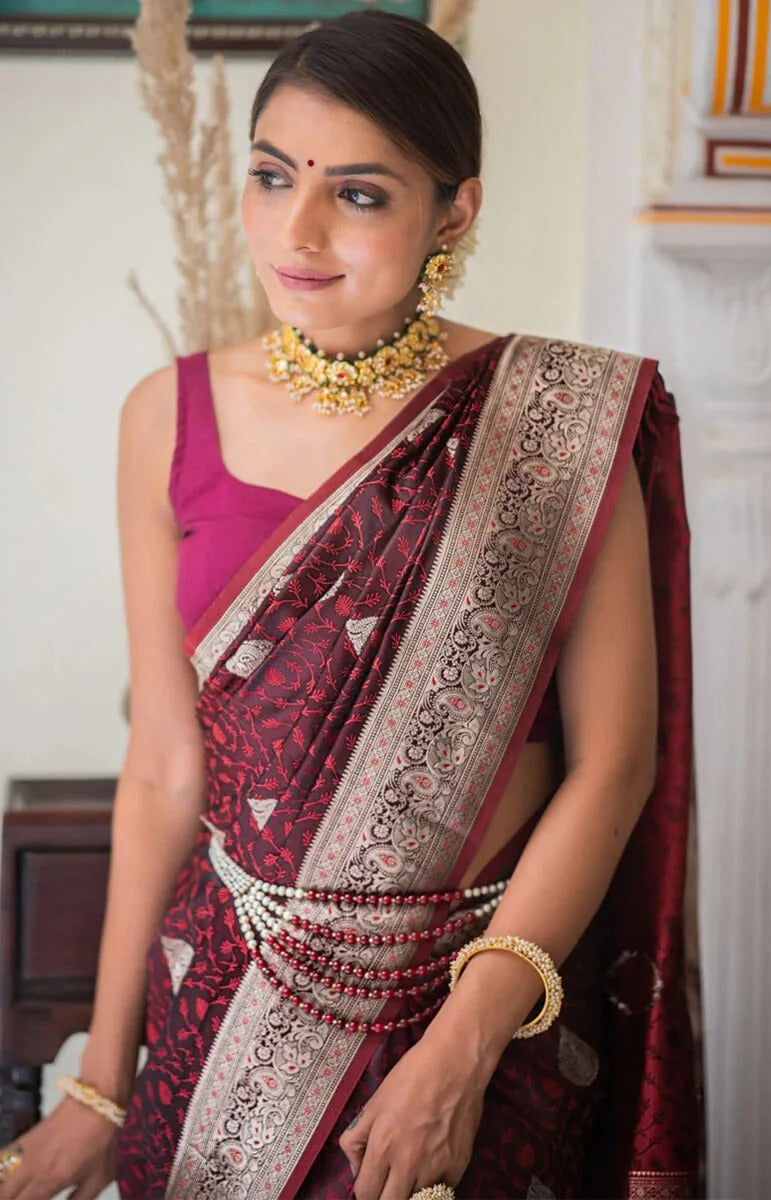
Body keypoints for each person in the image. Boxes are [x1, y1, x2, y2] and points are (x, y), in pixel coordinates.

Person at [0, 10, 701, 1200]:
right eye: (271, 177)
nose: (297, 230)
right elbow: (168, 766)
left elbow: (611, 765)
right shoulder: (163, 417)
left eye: (359, 195)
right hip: (220, 1004)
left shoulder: (554, 420)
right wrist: (96, 1088)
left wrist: (462, 1050)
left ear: (455, 212)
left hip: (479, 1003)